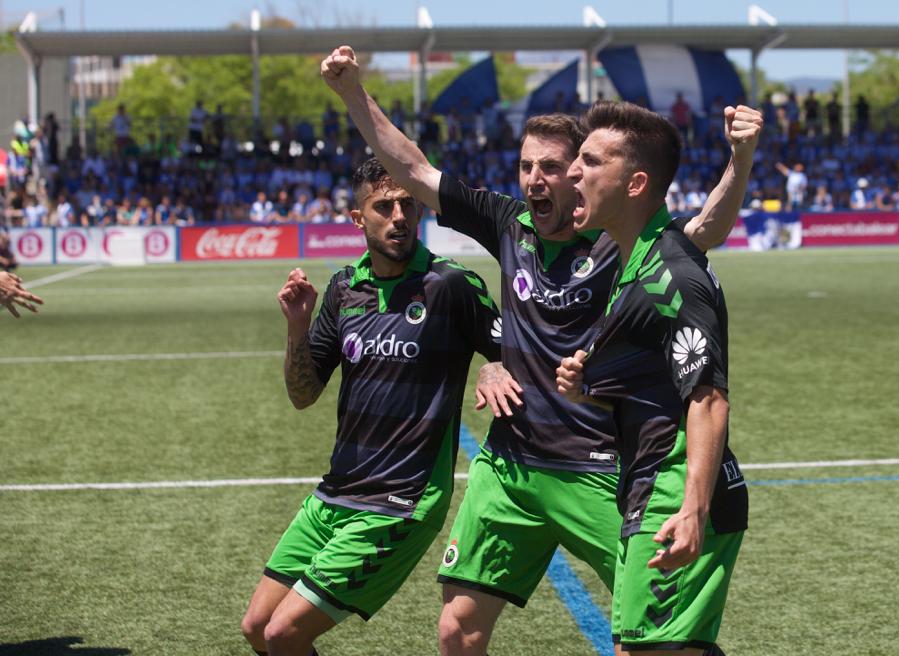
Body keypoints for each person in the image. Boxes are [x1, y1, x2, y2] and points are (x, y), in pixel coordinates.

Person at [321, 45, 760, 656]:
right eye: (526, 166)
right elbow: (415, 169)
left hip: (602, 468)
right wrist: (351, 93)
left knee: (658, 637)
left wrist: (739, 161)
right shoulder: (508, 225)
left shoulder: (621, 238)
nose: (536, 178)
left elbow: (704, 232)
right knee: (457, 626)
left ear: (579, 173)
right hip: (512, 466)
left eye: (554, 166)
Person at [240, 157, 502, 656]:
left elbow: (518, 354)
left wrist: (494, 365)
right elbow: (303, 394)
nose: (399, 215)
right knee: (258, 627)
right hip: (335, 494)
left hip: (401, 500)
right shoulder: (343, 289)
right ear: (359, 218)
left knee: (283, 634)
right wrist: (297, 327)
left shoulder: (451, 286)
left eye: (408, 204)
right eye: (384, 206)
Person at [556, 100, 754, 655]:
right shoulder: (634, 256)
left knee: (642, 650)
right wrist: (589, 387)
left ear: (636, 182)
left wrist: (692, 509)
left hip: (674, 491)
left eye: (591, 162)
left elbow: (709, 398)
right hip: (648, 484)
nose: (574, 172)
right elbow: (653, 387)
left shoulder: (673, 274)